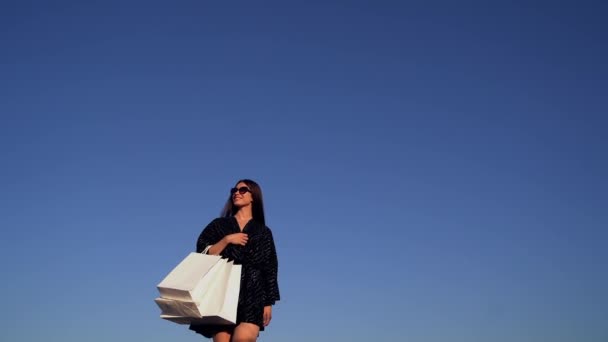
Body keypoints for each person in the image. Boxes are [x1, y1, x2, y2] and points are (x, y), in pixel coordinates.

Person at [189, 179, 280, 342]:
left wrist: (268, 302)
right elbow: (202, 253)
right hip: (223, 290)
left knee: (243, 338)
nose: (236, 193)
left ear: (254, 196)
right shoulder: (218, 225)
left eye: (243, 190)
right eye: (234, 190)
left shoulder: (263, 231)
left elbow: (270, 266)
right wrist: (227, 240)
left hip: (253, 292)